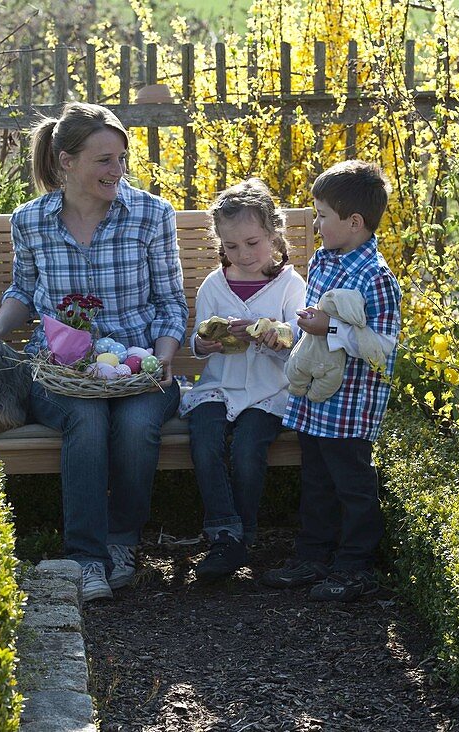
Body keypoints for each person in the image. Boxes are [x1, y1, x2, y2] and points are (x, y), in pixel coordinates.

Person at [0, 103, 188, 602]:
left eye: (121, 158)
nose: (117, 170)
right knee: (86, 418)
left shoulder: (151, 214)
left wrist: (163, 359)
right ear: (66, 160)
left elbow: (170, 304)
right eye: (103, 160)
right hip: (59, 372)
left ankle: (121, 542)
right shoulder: (31, 221)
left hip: (138, 368)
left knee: (133, 423)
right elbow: (23, 291)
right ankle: (85, 557)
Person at [260, 160, 401, 602]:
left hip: (352, 402)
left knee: (352, 484)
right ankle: (313, 555)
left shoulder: (376, 277)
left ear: (354, 222)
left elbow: (382, 346)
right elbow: (313, 323)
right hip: (314, 399)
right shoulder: (324, 259)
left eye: (322, 215)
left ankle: (355, 564)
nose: (316, 224)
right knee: (316, 479)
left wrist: (331, 330)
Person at [181, 179, 307, 581]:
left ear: (274, 234)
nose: (243, 254)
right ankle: (224, 533)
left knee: (249, 448)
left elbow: (300, 338)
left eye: (253, 243)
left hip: (270, 391)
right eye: (231, 247)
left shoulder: (290, 285)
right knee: (204, 441)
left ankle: (244, 534)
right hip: (218, 385)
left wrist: (274, 332)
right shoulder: (215, 285)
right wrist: (207, 342)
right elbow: (199, 338)